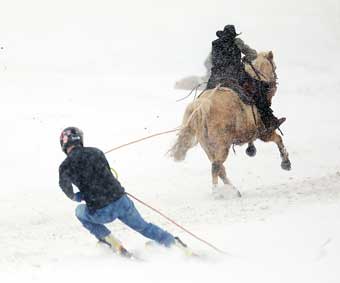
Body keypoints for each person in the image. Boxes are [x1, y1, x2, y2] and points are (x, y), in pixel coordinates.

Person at [58, 127, 188, 257]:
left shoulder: (65, 166)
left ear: (63, 144)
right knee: (143, 226)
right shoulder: (97, 152)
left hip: (100, 210)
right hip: (121, 200)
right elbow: (106, 174)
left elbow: (65, 187)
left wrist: (76, 196)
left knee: (79, 212)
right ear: (80, 139)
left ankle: (110, 242)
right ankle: (172, 243)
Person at [206, 25, 285, 132]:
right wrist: (244, 58)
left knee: (204, 98)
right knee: (258, 93)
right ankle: (269, 121)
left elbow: (214, 60)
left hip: (215, 77)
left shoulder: (215, 43)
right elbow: (253, 54)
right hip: (235, 75)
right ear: (233, 35)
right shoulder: (237, 42)